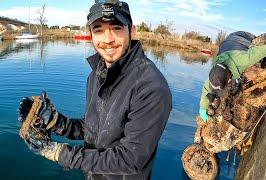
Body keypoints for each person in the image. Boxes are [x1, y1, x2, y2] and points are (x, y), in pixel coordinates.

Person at [18, 1, 172, 179]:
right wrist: (56, 122)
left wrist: (58, 152)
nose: (108, 39)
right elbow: (94, 128)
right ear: (91, 35)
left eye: (116, 28)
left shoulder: (151, 87)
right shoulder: (96, 75)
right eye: (98, 30)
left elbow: (131, 159)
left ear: (132, 31)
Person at [199, 31, 266, 122]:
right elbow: (207, 87)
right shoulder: (216, 70)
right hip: (228, 44)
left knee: (264, 48)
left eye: (228, 81)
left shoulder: (245, 59)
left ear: (229, 76)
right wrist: (203, 107)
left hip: (242, 37)